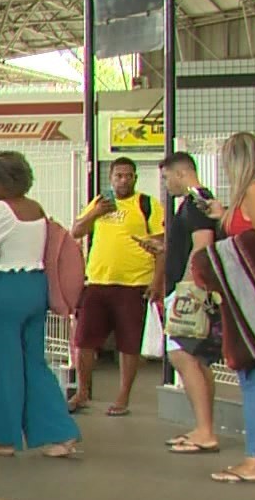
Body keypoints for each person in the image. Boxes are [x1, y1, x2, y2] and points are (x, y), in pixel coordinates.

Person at [0, 150, 80, 459]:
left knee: (2, 366)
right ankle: (61, 433)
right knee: (34, 364)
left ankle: (2, 439)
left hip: (8, 289)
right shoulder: (36, 209)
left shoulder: (0, 210)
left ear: (2, 181)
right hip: (36, 287)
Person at [207, 132, 255, 484]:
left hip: (251, 290)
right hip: (247, 288)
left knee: (251, 377)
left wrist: (229, 250)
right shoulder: (254, 192)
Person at [68, 156, 162, 416]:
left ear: (135, 178)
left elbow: (161, 246)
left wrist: (157, 282)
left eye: (128, 175)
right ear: (110, 178)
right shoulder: (100, 202)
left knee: (129, 343)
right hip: (98, 281)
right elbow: (76, 231)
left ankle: (123, 397)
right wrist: (96, 213)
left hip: (133, 284)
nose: (123, 180)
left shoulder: (147, 204)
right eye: (118, 175)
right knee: (84, 339)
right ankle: (83, 392)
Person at [149, 151, 223, 455]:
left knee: (181, 355)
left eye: (166, 177)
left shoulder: (196, 204)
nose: (166, 184)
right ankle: (203, 426)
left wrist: (188, 288)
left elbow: (202, 245)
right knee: (196, 358)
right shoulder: (196, 203)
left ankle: (206, 431)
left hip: (189, 289)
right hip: (188, 285)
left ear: (180, 173)